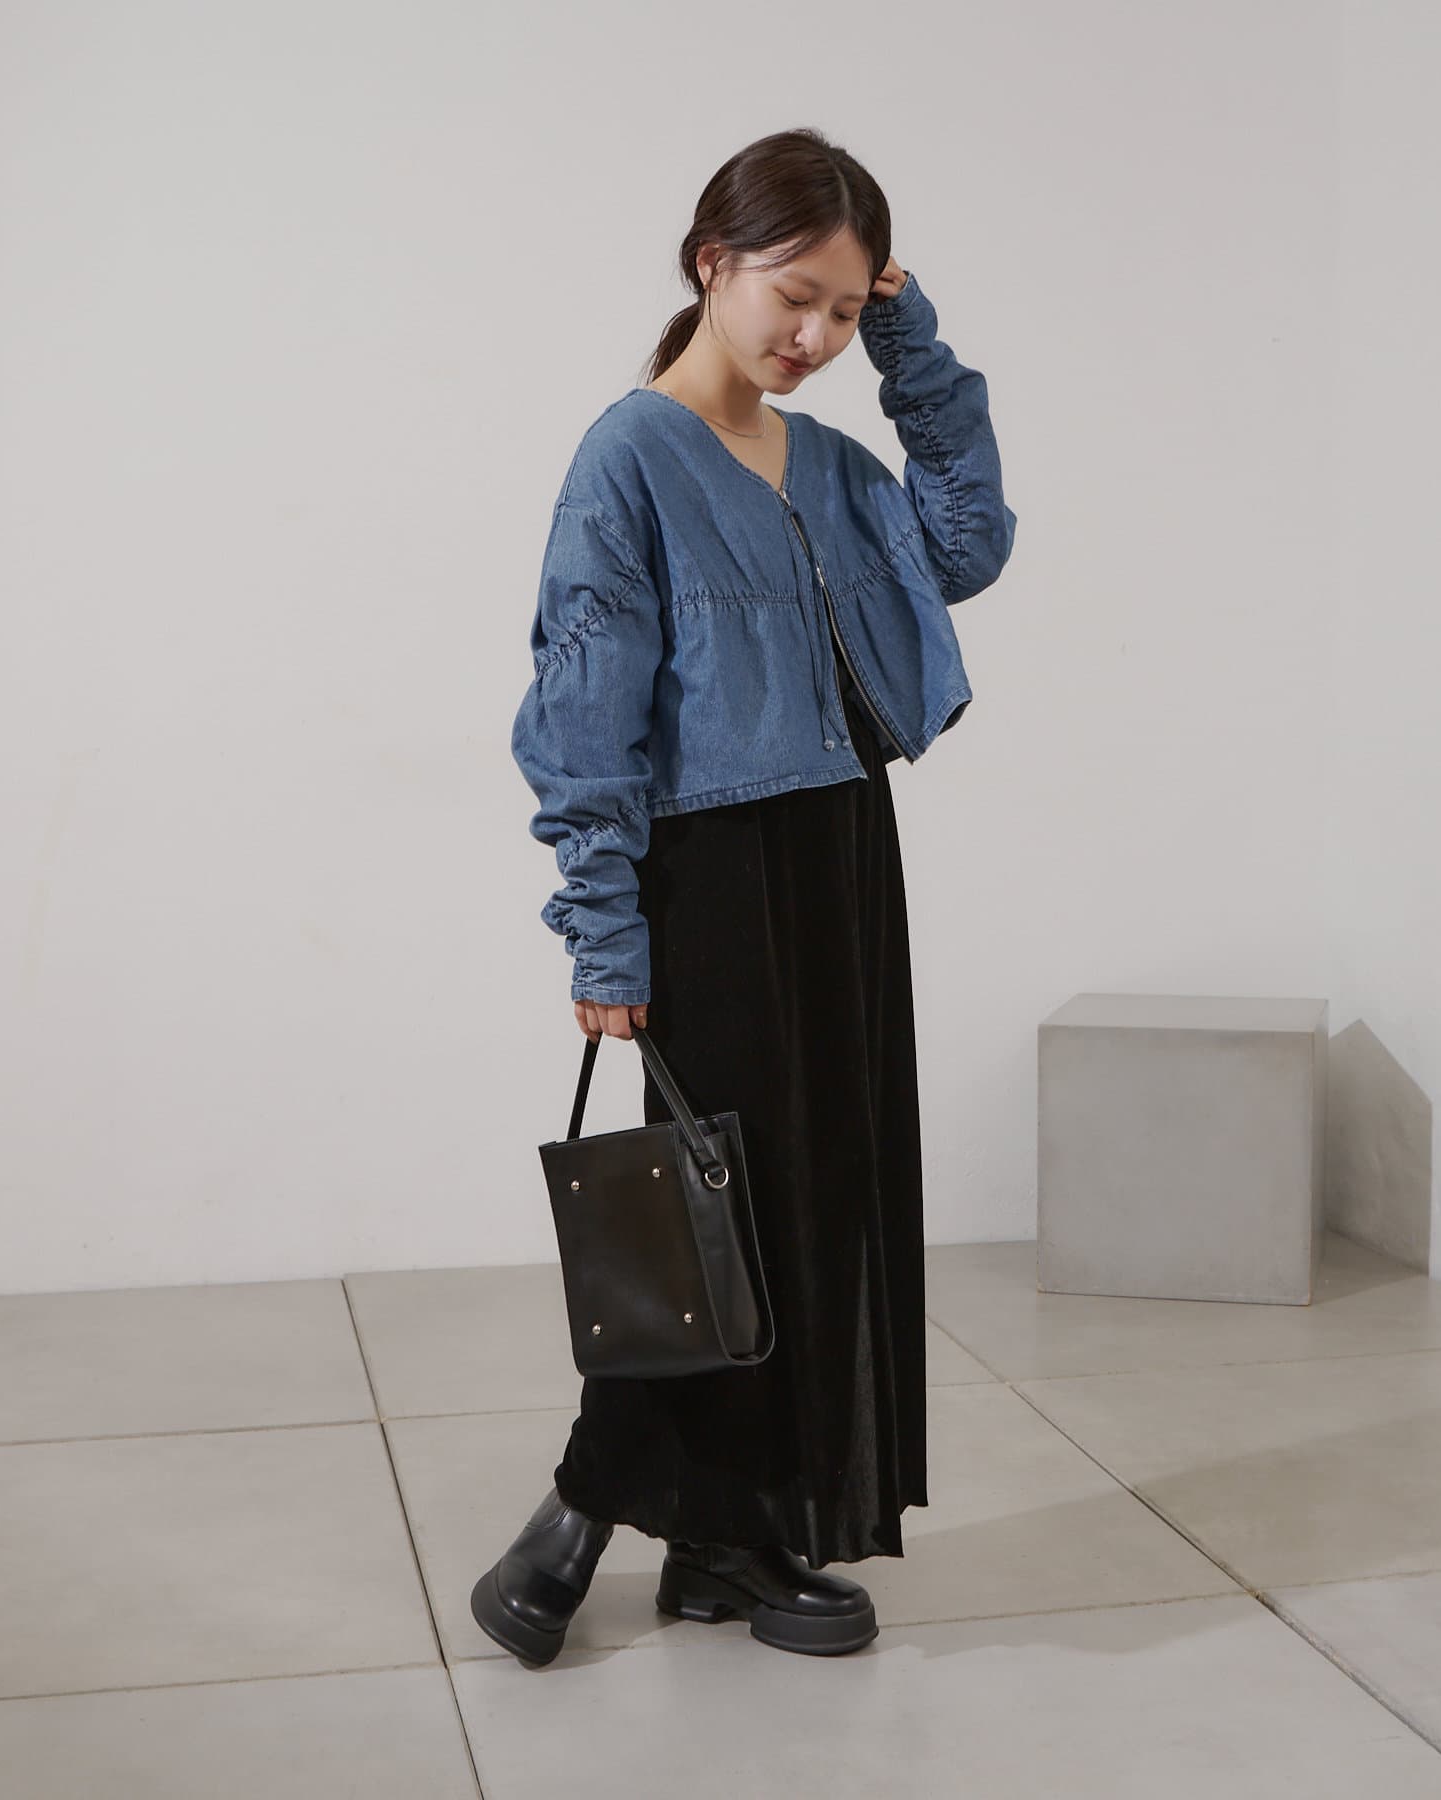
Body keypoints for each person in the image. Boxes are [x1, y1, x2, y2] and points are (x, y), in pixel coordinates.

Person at [472, 126, 1017, 1666]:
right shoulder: (629, 456)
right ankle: (577, 1513)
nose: (814, 335)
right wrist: (603, 928)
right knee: (722, 1204)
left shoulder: (830, 463)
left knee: (816, 1197)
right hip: (703, 868)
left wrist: (913, 349)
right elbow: (583, 711)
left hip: (841, 851)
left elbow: (968, 542)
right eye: (796, 295)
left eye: (845, 309)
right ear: (713, 263)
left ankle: (728, 1543)